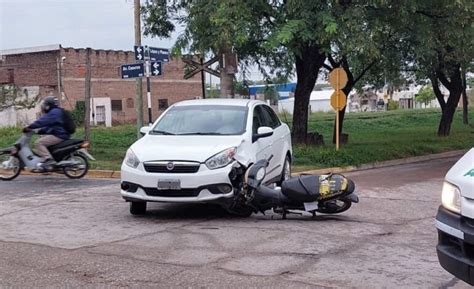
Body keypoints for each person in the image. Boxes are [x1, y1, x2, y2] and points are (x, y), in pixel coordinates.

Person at [23, 96, 70, 168]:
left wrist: (30, 127)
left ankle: (49, 159)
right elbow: (50, 127)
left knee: (39, 143)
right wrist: (40, 131)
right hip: (60, 133)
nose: (44, 107)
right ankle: (47, 160)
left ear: (49, 105)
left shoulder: (54, 112)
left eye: (45, 105)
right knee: (43, 142)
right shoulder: (56, 111)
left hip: (60, 135)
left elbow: (42, 121)